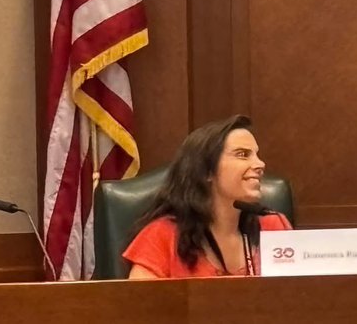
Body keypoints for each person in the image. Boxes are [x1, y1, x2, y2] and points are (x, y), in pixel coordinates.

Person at [123, 115, 292, 278]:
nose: (259, 164)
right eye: (242, 154)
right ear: (206, 171)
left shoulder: (273, 225)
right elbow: (139, 305)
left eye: (256, 155)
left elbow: (299, 297)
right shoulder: (162, 235)